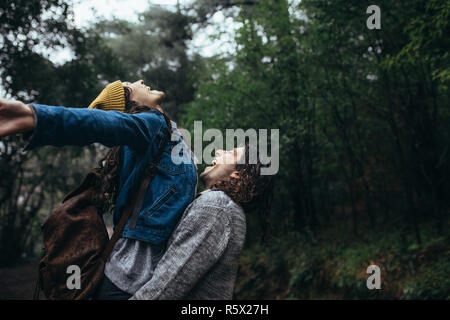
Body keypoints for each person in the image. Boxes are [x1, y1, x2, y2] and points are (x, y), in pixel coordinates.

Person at [0, 80, 198, 300]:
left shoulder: (166, 136)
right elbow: (100, 123)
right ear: (129, 103)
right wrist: (36, 118)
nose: (140, 81)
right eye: (130, 84)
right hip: (129, 279)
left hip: (135, 277)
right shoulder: (153, 125)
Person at [130, 143, 274, 300]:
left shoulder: (217, 206)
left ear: (238, 174)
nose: (219, 150)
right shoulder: (228, 208)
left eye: (231, 153)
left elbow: (173, 279)